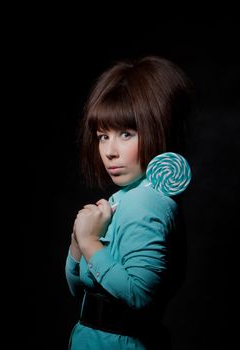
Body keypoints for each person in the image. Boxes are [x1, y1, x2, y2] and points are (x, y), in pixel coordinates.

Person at [65, 55, 193, 349]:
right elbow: (77, 290)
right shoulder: (123, 198)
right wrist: (77, 243)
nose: (110, 151)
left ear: (156, 131)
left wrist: (89, 244)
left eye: (125, 134)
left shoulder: (145, 202)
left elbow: (140, 296)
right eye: (102, 136)